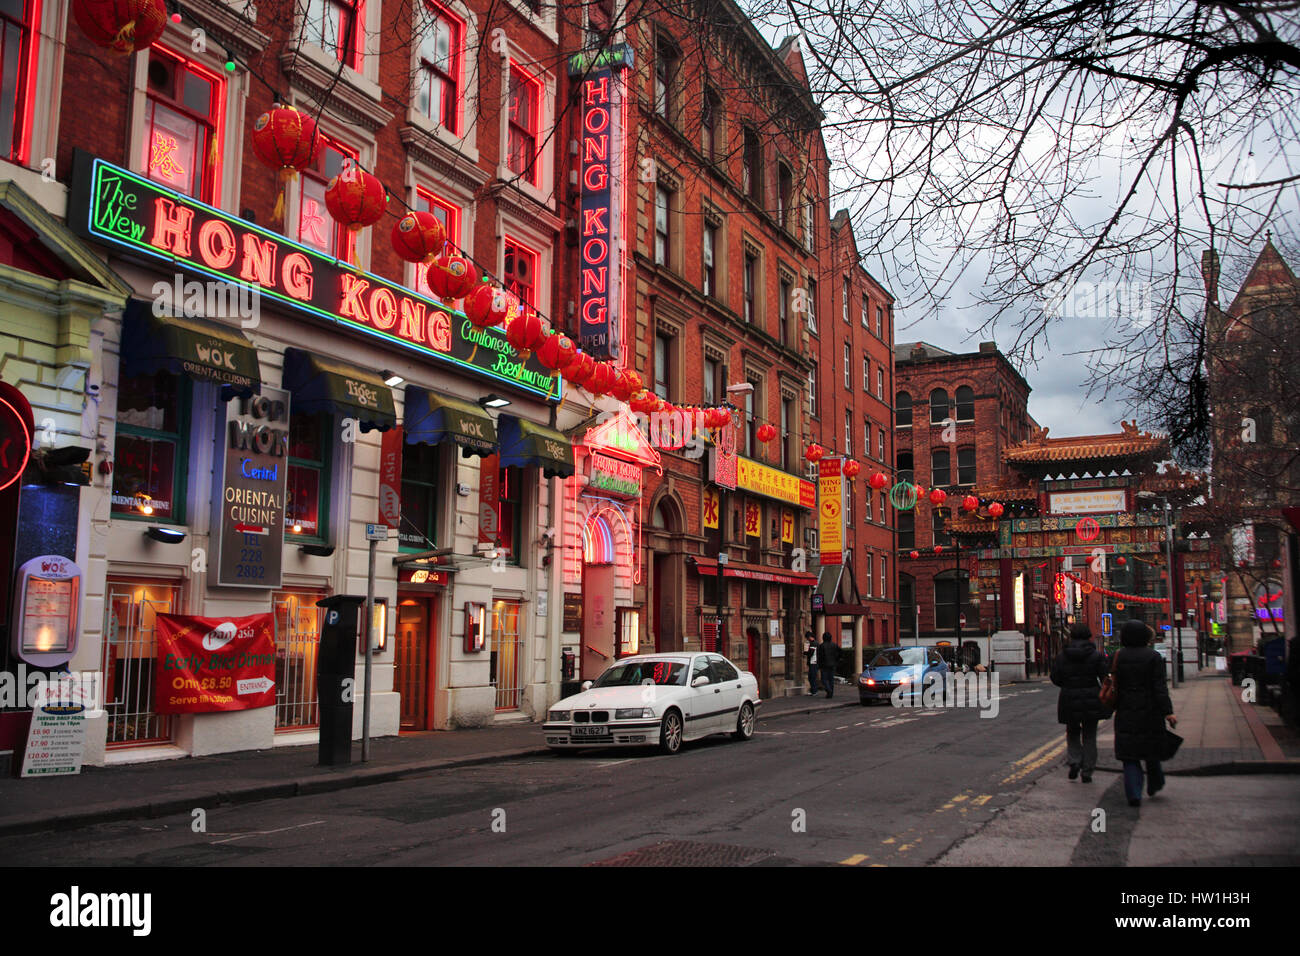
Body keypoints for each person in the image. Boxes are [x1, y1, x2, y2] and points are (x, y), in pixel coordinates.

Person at [1113, 620, 1177, 807]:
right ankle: (1155, 783)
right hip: (1150, 711)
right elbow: (1159, 688)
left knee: (1130, 756)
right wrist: (1168, 712)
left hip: (1125, 710)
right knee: (1151, 749)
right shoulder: (1153, 657)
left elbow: (1112, 682)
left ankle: (1133, 793)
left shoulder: (1118, 656)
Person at [1050, 623, 1108, 782]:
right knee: (1090, 735)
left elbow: (1055, 677)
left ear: (1072, 636)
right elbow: (1105, 678)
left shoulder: (1062, 655)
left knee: (1072, 732)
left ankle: (1074, 761)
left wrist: (1067, 684)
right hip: (1091, 697)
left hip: (1069, 697)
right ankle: (1087, 771)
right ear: (1089, 636)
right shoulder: (1096, 655)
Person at [817, 632, 840, 698]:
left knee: (824, 679)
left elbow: (820, 656)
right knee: (831, 679)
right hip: (832, 664)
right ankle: (831, 693)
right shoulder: (834, 645)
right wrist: (836, 660)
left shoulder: (822, 646)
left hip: (824, 665)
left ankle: (828, 690)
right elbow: (840, 652)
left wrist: (819, 664)